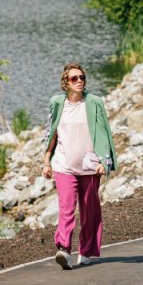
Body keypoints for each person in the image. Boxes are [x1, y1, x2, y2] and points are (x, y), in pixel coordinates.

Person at [42, 63, 116, 270]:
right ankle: (63, 249)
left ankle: (87, 250)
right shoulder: (57, 103)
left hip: (89, 164)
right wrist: (47, 160)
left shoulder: (93, 103)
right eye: (74, 78)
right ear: (65, 83)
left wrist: (104, 161)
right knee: (66, 207)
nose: (79, 81)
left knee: (89, 209)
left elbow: (103, 133)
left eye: (81, 77)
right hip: (63, 164)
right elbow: (52, 133)